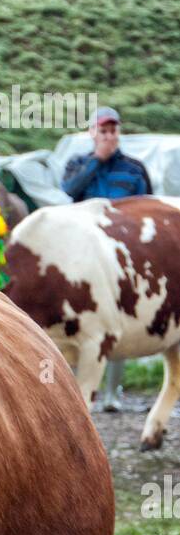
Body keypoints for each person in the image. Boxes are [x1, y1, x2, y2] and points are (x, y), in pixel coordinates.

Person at [62, 107, 153, 410]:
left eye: (113, 131)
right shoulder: (77, 164)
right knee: (82, 313)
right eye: (103, 131)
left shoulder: (135, 169)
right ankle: (80, 389)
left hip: (122, 252)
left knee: (120, 312)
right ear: (92, 133)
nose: (109, 136)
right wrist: (97, 160)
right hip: (83, 251)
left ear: (119, 133)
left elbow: (146, 207)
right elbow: (69, 191)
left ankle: (113, 394)